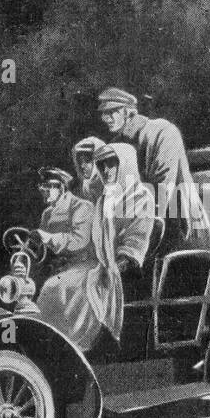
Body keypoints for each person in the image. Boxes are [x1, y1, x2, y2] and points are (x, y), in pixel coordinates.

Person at [35, 143, 155, 350]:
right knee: (54, 284)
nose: (106, 171)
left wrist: (111, 267)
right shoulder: (104, 200)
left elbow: (135, 241)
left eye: (112, 165)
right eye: (102, 165)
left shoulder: (141, 197)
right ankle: (53, 342)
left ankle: (76, 344)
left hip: (125, 267)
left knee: (64, 286)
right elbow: (94, 241)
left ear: (125, 164)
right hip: (99, 262)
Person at [97, 87, 210, 255]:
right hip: (139, 232)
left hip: (178, 227)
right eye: (103, 113)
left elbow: (162, 185)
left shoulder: (162, 131)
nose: (105, 118)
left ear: (129, 112)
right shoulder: (117, 145)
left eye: (112, 111)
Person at [32, 167, 94, 275]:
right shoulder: (47, 213)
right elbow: (43, 249)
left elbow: (79, 240)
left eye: (47, 186)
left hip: (80, 267)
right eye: (41, 186)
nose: (43, 190)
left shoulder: (82, 206)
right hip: (54, 268)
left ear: (61, 188)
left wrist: (49, 238)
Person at [71, 136, 106, 202]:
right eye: (80, 162)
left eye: (87, 161)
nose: (82, 166)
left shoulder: (109, 188)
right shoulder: (83, 190)